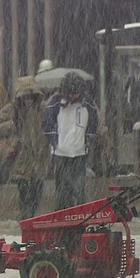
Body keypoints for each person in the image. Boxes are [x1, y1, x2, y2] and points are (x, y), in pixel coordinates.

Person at [0, 76, 50, 219]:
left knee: (36, 193)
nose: (28, 100)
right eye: (25, 96)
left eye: (31, 96)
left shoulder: (43, 109)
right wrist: (13, 124)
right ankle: (26, 219)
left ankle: (31, 218)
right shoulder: (11, 110)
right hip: (20, 160)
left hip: (39, 158)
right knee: (25, 194)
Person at [42, 72, 98, 210]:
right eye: (71, 93)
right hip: (60, 153)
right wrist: (55, 142)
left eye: (76, 93)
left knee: (79, 188)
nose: (74, 96)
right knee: (62, 189)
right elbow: (47, 124)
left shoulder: (88, 103)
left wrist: (88, 140)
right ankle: (64, 214)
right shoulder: (55, 103)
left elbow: (93, 123)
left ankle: (79, 214)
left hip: (80, 151)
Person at [123, 63, 140, 133]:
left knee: (139, 111)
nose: (137, 71)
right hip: (133, 98)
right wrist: (125, 94)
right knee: (133, 111)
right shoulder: (130, 79)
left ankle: (138, 126)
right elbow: (126, 87)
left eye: (138, 70)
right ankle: (133, 126)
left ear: (139, 71)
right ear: (134, 71)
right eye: (136, 70)